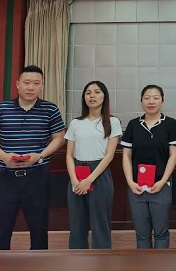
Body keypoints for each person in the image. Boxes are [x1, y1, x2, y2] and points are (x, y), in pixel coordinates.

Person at [0, 65, 65, 250]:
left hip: (37, 177)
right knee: (1, 229)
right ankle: (0, 261)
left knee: (39, 229)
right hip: (6, 178)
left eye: (36, 83)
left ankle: (39, 262)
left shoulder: (50, 109)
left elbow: (59, 138)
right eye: (27, 83)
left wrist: (40, 155)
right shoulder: (1, 108)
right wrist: (4, 156)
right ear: (18, 84)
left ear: (42, 85)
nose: (31, 87)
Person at [121, 84, 176, 249]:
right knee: (142, 234)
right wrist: (130, 182)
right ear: (141, 101)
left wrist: (163, 181)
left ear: (162, 101)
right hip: (137, 187)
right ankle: (144, 262)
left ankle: (160, 263)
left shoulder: (170, 124)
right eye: (147, 98)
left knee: (161, 233)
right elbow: (126, 156)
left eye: (155, 98)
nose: (151, 101)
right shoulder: (133, 125)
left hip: (161, 185)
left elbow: (174, 155)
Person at [65, 80, 122, 249]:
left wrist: (89, 180)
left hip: (99, 174)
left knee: (100, 224)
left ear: (104, 96)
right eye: (88, 93)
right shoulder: (76, 123)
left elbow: (109, 155)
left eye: (97, 92)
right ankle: (77, 260)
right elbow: (69, 155)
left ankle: (102, 260)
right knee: (77, 224)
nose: (92, 96)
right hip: (77, 173)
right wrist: (74, 180)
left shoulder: (112, 122)